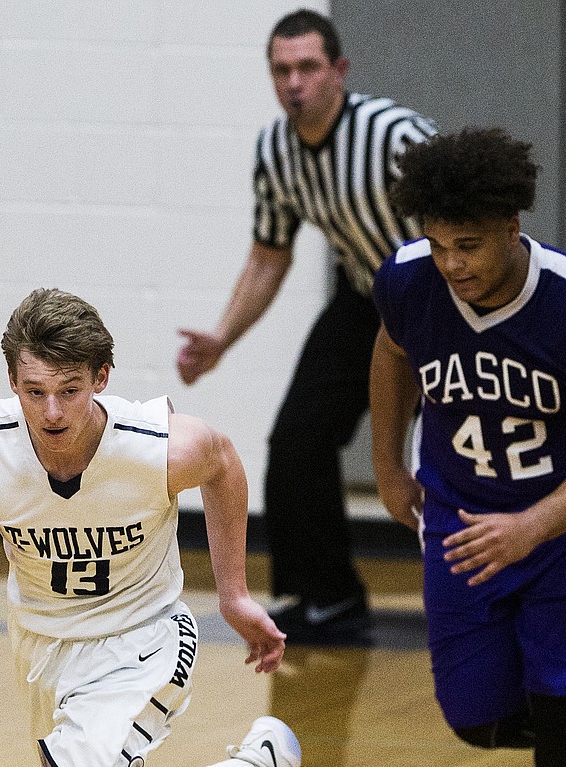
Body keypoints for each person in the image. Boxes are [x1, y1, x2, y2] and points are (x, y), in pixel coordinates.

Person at [0, 288, 337, 767]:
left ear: (102, 377)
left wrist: (234, 595)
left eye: (70, 390)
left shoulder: (156, 448)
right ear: (12, 381)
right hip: (44, 654)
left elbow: (223, 461)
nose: (53, 412)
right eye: (35, 392)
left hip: (144, 643)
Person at [369, 128, 566, 767]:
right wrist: (387, 464)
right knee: (475, 717)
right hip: (460, 510)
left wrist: (531, 527)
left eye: (469, 246)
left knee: (563, 705)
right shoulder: (405, 280)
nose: (452, 265)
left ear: (510, 229)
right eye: (438, 247)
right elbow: (392, 352)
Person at [175, 9, 437, 643]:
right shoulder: (274, 151)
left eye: (309, 68)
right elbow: (269, 257)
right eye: (282, 70)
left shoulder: (396, 137)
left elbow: (469, 221)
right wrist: (222, 338)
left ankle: (498, 600)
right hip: (364, 300)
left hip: (442, 301)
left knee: (456, 451)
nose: (295, 82)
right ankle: (327, 598)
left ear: (339, 71)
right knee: (295, 440)